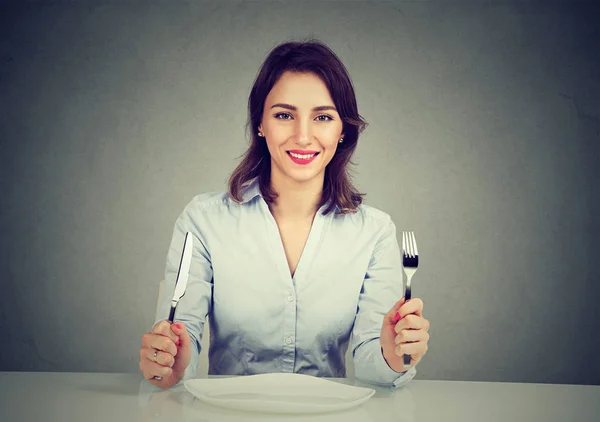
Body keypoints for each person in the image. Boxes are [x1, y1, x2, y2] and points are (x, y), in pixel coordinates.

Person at [139, 39, 430, 390]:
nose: (303, 136)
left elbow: (373, 367)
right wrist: (169, 361)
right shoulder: (203, 220)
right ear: (260, 123)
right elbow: (179, 341)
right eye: (284, 115)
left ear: (342, 131)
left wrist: (393, 350)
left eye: (322, 117)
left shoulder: (375, 231)